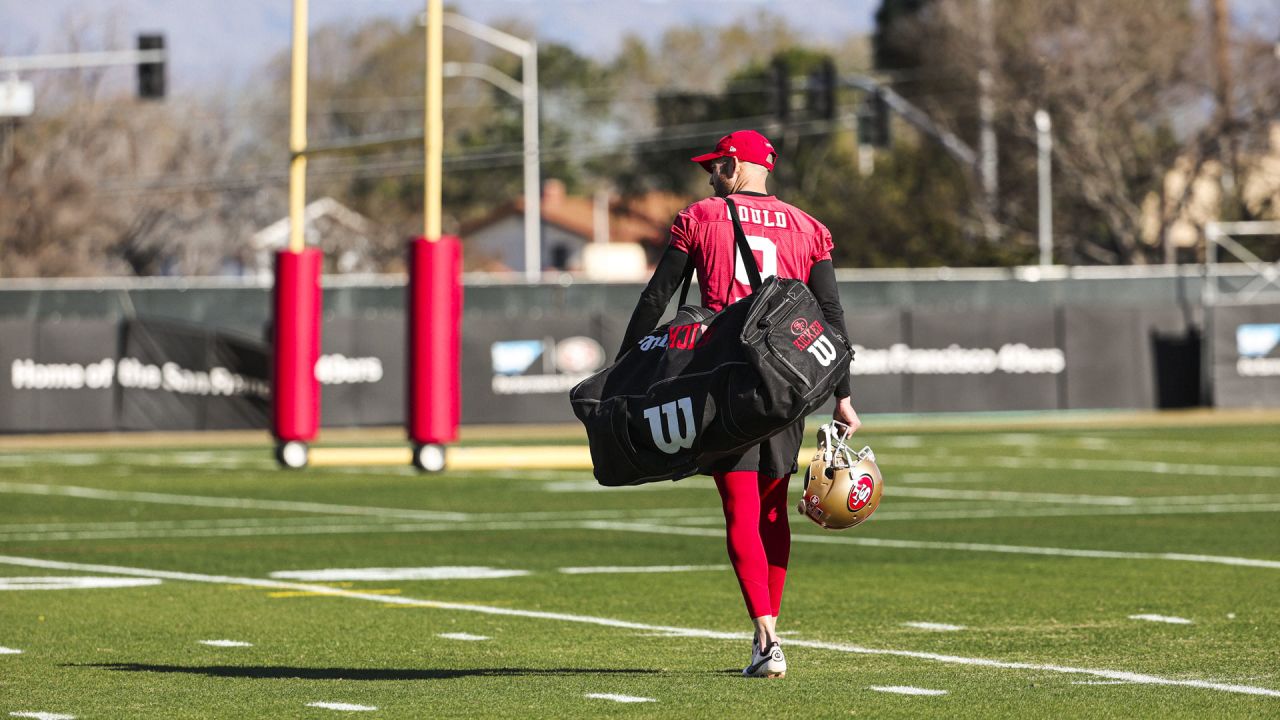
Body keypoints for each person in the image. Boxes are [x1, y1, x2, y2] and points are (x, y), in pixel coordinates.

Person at [617, 130, 860, 678]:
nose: (711, 177)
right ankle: (771, 633)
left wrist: (623, 368)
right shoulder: (810, 227)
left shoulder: (700, 216)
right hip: (788, 381)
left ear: (739, 164)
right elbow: (831, 317)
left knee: (742, 509)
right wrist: (843, 395)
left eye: (719, 166)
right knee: (774, 511)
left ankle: (765, 635)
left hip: (726, 378)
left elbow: (657, 297)